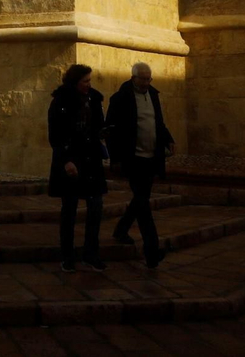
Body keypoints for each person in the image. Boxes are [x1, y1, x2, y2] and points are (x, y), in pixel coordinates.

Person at [105, 61, 175, 269]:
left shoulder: (153, 95)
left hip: (151, 157)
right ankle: (152, 252)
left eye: (148, 79)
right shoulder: (120, 98)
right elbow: (111, 130)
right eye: (142, 79)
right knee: (144, 205)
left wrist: (168, 139)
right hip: (132, 158)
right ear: (133, 78)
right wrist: (115, 159)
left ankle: (120, 229)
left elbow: (157, 122)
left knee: (141, 199)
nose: (146, 83)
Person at [47, 63, 108, 272]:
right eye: (85, 81)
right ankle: (67, 255)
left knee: (95, 207)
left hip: (91, 161)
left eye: (90, 81)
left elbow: (99, 126)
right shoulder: (60, 102)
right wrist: (66, 160)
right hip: (71, 161)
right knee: (70, 209)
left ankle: (91, 253)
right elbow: (55, 135)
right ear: (75, 82)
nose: (89, 85)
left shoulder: (95, 99)